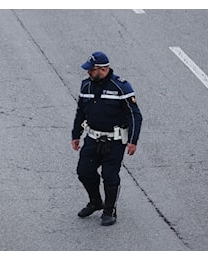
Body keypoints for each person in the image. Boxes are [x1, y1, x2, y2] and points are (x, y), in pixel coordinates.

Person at [71, 51, 142, 226]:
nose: (88, 73)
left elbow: (135, 115)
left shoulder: (121, 87)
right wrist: (76, 135)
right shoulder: (86, 86)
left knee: (110, 176)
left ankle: (109, 210)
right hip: (93, 137)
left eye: (92, 70)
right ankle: (95, 201)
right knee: (84, 172)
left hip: (115, 141)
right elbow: (80, 112)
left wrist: (133, 141)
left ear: (103, 69)